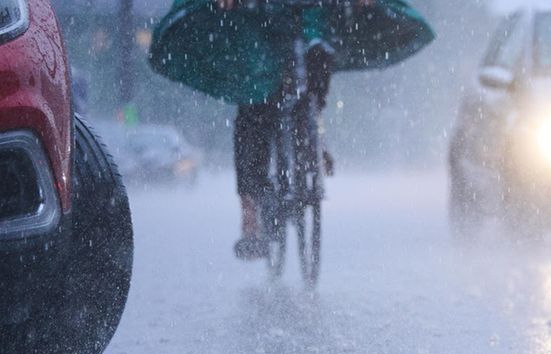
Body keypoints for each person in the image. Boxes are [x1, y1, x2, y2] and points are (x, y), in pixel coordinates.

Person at [148, 0, 433, 259]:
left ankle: (313, 134)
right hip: (260, 19)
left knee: (317, 59)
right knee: (254, 106)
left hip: (309, 15)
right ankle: (250, 216)